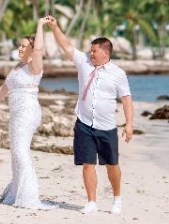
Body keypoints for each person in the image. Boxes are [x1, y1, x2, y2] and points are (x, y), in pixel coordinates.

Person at [45, 15, 134, 215]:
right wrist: (55, 27)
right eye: (90, 50)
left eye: (94, 51)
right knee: (87, 163)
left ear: (105, 52)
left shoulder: (118, 73)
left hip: (107, 126)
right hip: (84, 123)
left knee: (111, 164)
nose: (91, 54)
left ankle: (117, 198)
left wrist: (129, 124)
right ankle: (91, 201)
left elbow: (126, 99)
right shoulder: (83, 62)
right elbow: (66, 46)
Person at [0, 17, 57, 210]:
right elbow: (5, 87)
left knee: (21, 152)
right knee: (16, 153)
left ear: (33, 50)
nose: (21, 49)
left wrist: (40, 25)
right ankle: (17, 192)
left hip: (28, 113)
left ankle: (28, 195)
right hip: (16, 115)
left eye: (25, 46)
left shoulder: (35, 67)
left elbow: (39, 48)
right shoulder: (17, 67)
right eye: (20, 46)